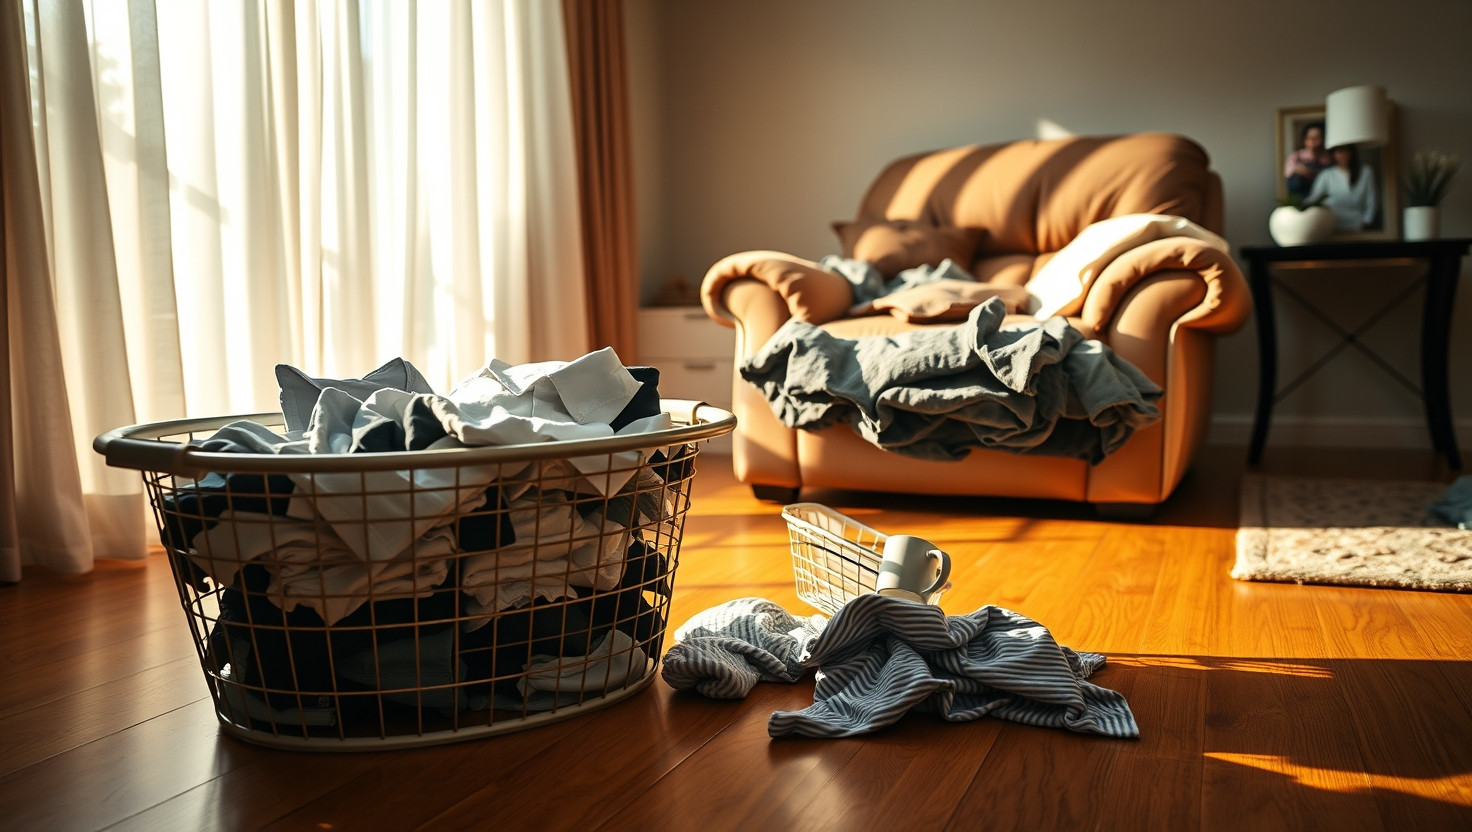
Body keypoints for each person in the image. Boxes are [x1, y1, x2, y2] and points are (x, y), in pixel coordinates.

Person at [1305, 144, 1377, 232]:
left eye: (1345, 151)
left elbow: (1371, 200)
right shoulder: (1326, 175)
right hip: (1331, 225)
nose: (1343, 155)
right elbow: (1313, 199)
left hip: (1357, 225)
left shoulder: (1366, 172)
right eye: (1339, 151)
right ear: (1334, 154)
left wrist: (1365, 222)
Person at [1283, 122, 1331, 201]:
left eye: (1317, 138)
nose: (1314, 142)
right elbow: (1287, 174)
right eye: (1311, 138)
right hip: (1300, 199)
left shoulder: (1328, 158)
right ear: (1305, 140)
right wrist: (1297, 170)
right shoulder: (1296, 156)